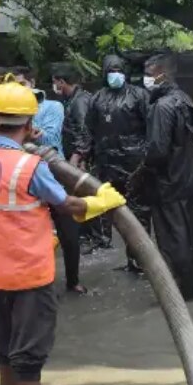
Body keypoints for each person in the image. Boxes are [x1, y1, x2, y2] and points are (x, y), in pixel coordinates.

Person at [0, 82, 125, 385]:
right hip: (28, 273)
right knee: (30, 354)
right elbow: (68, 205)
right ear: (29, 123)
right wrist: (102, 202)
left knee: (7, 345)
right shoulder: (28, 165)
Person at [74, 55, 153, 273]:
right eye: (110, 71)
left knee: (139, 212)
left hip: (134, 163)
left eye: (118, 70)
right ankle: (129, 258)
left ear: (124, 72)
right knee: (114, 211)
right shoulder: (98, 98)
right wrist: (80, 155)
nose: (114, 74)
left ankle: (143, 260)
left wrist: (148, 159)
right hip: (107, 163)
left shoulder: (139, 95)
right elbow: (88, 130)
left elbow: (152, 128)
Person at [11, 68, 85, 295]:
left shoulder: (52, 106)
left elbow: (51, 138)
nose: (18, 88)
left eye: (22, 83)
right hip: (23, 178)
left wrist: (23, 132)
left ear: (32, 82)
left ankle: (73, 280)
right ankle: (33, 283)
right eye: (13, 85)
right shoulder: (8, 111)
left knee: (70, 235)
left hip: (53, 174)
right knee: (28, 235)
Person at [137, 54, 193, 301]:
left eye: (149, 73)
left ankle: (177, 292)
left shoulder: (163, 106)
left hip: (168, 182)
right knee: (188, 234)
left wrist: (142, 173)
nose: (145, 79)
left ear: (161, 74)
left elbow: (157, 151)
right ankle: (192, 284)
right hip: (186, 178)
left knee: (172, 238)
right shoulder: (184, 99)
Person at [50, 64, 96, 250]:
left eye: (54, 82)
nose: (54, 86)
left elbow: (85, 131)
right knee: (79, 194)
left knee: (86, 195)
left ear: (62, 82)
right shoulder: (71, 99)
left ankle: (97, 238)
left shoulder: (80, 101)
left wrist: (79, 156)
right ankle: (86, 235)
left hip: (81, 157)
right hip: (74, 154)